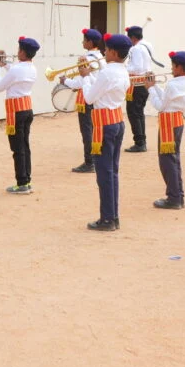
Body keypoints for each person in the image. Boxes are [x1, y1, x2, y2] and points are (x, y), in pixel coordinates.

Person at [80, 33, 131, 231]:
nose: (104, 52)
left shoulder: (108, 72)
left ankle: (107, 219)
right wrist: (90, 75)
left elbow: (90, 98)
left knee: (104, 174)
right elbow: (103, 88)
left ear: (114, 52)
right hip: (117, 120)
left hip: (104, 124)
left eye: (107, 49)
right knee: (112, 172)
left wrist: (85, 77)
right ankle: (113, 216)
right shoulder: (121, 70)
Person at [147, 51, 185, 209]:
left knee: (167, 162)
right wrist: (155, 86)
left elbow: (160, 105)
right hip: (177, 121)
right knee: (174, 160)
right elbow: (168, 98)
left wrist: (150, 89)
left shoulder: (173, 84)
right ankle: (177, 195)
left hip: (168, 123)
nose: (171, 69)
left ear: (179, 68)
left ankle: (173, 197)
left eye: (173, 66)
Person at [0, 37, 40, 194]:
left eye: (19, 50)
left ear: (22, 52)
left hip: (16, 111)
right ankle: (26, 181)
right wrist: (5, 63)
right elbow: (14, 73)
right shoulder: (32, 68)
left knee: (17, 148)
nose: (17, 52)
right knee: (25, 147)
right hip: (27, 108)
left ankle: (21, 183)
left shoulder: (16, 69)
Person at [60, 28, 106, 173]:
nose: (82, 41)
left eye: (84, 39)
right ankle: (95, 160)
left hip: (87, 97)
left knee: (87, 131)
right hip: (94, 96)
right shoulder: (100, 57)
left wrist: (66, 81)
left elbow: (82, 81)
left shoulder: (88, 58)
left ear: (90, 42)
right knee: (94, 129)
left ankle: (89, 162)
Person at [124, 25, 156, 153]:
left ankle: (140, 142)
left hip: (137, 83)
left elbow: (137, 68)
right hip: (144, 82)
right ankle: (141, 140)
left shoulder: (136, 49)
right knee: (139, 113)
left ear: (132, 37)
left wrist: (123, 67)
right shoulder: (147, 45)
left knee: (133, 113)